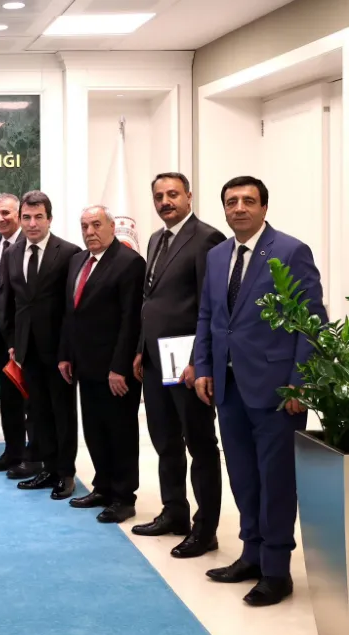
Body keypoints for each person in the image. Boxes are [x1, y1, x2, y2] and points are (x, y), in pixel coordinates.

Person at [195, 175, 326, 607]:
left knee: (276, 481)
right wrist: (203, 365)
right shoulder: (217, 255)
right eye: (231, 201)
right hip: (228, 387)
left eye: (248, 201)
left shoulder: (290, 251)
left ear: (264, 207)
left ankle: (276, 570)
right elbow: (208, 316)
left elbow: (311, 321)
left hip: (277, 390)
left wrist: (301, 382)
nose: (239, 208)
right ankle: (250, 554)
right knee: (243, 476)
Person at [131, 173, 226, 558]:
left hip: (187, 360)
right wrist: (141, 348)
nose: (165, 201)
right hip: (156, 358)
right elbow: (150, 298)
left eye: (172, 194)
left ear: (189, 196)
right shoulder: (156, 238)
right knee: (165, 439)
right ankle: (174, 512)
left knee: (199, 443)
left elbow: (211, 305)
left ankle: (206, 530)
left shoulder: (207, 239)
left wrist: (197, 360)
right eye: (159, 196)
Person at [58, 205, 145, 523]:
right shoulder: (78, 261)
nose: (90, 231)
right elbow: (71, 312)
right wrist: (65, 354)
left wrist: (119, 367)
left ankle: (124, 497)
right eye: (84, 226)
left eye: (96, 224)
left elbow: (131, 320)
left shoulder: (129, 262)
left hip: (115, 370)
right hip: (85, 364)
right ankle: (103, 487)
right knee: (95, 430)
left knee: (120, 432)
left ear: (111, 227)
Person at [0, 190, 80, 499]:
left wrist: (67, 350)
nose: (32, 224)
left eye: (38, 217)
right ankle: (47, 468)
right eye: (27, 218)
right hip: (26, 349)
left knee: (62, 412)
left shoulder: (69, 252)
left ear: (49, 219)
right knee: (38, 412)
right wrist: (13, 343)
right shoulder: (12, 253)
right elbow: (11, 303)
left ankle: (66, 473)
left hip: (59, 351)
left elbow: (72, 308)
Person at [0, 193, 32, 476]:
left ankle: (34, 455)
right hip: (2, 337)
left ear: (18, 214)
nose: (0, 218)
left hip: (27, 336)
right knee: (9, 397)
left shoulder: (29, 245)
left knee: (31, 398)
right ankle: (13, 451)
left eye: (6, 213)